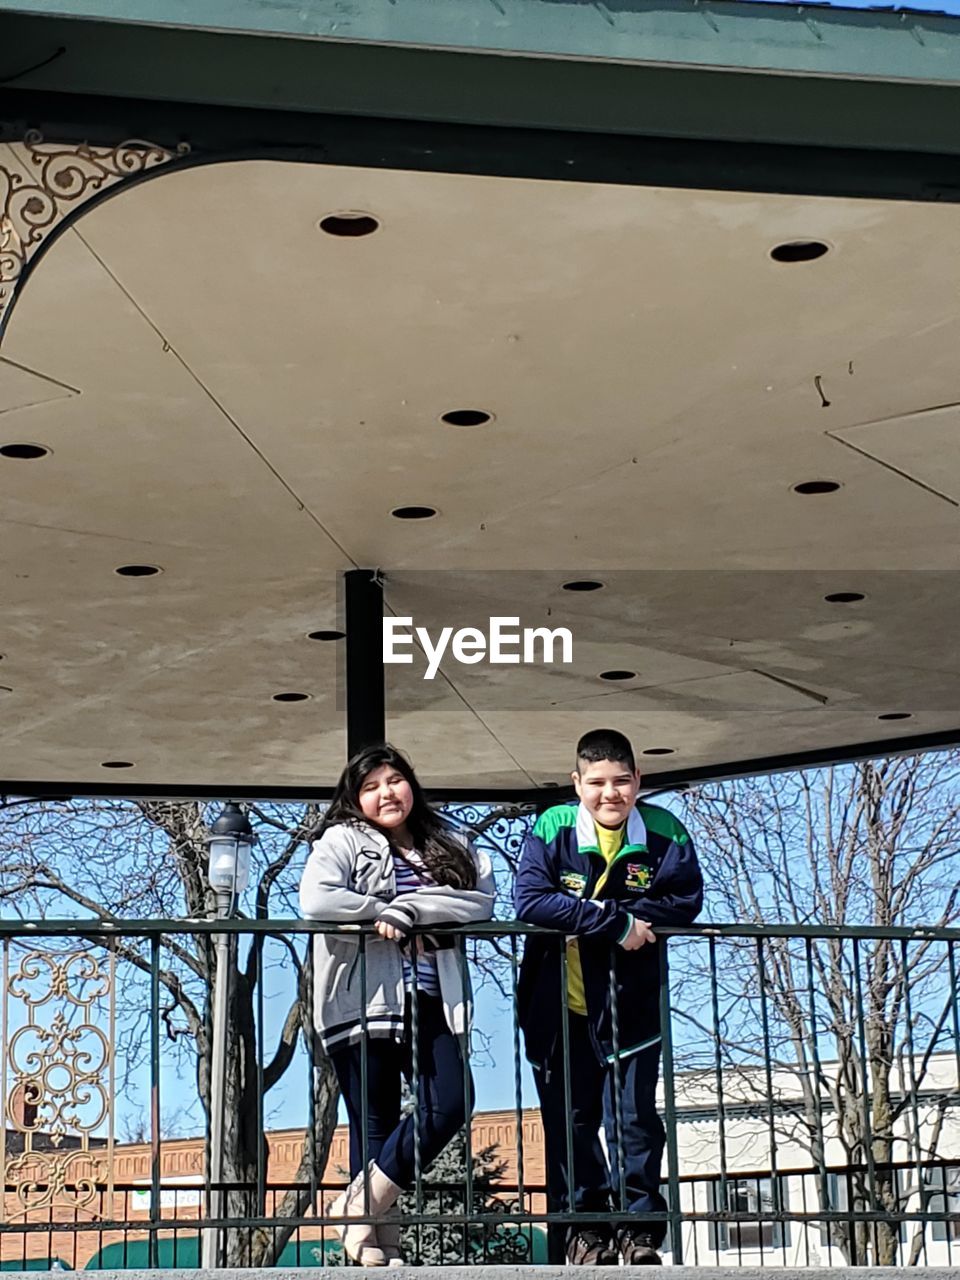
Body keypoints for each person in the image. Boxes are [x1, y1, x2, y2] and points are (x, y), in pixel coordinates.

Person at [299, 743, 495, 1267]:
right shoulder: (341, 840)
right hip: (361, 996)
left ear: (412, 783)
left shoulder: (448, 841)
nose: (386, 793)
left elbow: (481, 901)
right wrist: (383, 913)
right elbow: (318, 900)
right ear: (355, 798)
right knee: (374, 1120)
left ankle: (357, 1207)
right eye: (370, 786)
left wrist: (410, 910)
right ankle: (377, 1243)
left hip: (433, 995)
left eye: (394, 780)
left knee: (450, 1102)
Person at [514, 728, 702, 1267]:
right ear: (577, 784)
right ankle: (584, 1231)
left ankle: (640, 1230)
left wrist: (616, 921)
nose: (610, 793)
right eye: (596, 782)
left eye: (621, 781)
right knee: (570, 1123)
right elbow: (531, 899)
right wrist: (615, 923)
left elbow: (684, 899)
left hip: (632, 1005)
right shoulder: (552, 827)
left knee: (635, 1119)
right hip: (558, 1007)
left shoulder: (666, 831)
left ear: (638, 781)